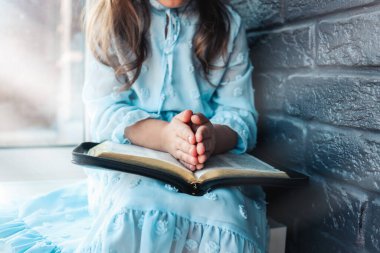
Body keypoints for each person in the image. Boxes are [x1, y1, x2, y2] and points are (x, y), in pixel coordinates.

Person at [0, 0, 268, 252]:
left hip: (204, 162)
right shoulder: (111, 16)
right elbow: (105, 110)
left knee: (226, 215)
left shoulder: (227, 24)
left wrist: (211, 138)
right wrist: (165, 136)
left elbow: (240, 113)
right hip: (132, 156)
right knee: (135, 206)